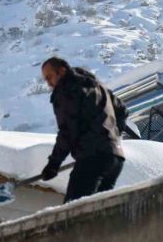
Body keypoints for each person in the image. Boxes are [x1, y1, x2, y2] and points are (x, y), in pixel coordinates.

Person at [40, 57, 125, 203]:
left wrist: (53, 164)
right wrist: (113, 136)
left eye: (50, 77)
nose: (48, 83)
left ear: (62, 71)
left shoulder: (68, 90)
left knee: (73, 210)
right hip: (115, 159)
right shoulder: (96, 85)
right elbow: (122, 110)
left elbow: (67, 132)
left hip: (93, 158)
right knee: (98, 210)